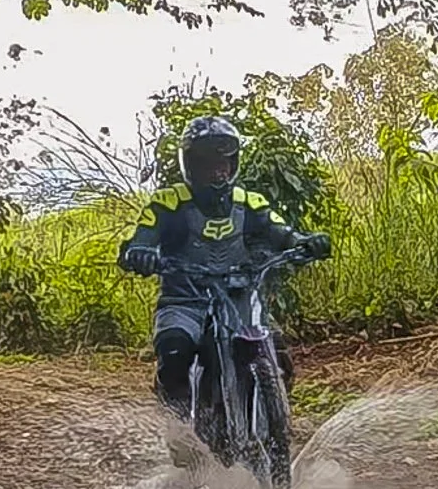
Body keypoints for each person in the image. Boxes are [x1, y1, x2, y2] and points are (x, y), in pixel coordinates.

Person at [117, 115, 329, 422]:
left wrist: (305, 242)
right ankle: (177, 426)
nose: (218, 171)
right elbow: (144, 235)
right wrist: (140, 252)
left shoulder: (250, 201)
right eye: (208, 164)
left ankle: (274, 417)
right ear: (191, 166)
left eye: (224, 163)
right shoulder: (168, 202)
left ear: (234, 163)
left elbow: (280, 230)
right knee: (174, 349)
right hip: (185, 300)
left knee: (279, 355)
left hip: (239, 296)